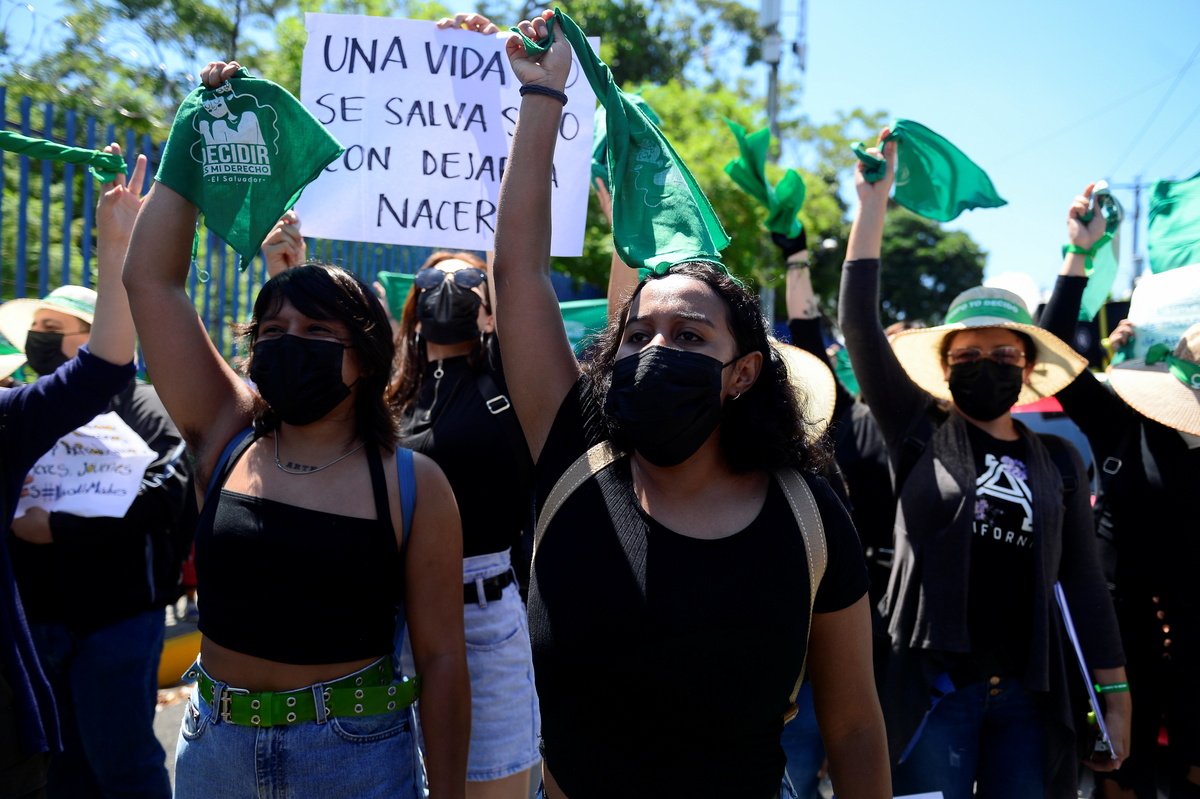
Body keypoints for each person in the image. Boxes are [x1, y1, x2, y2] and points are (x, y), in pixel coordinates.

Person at [492, 12, 889, 798]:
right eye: (638, 334)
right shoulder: (573, 453)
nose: (655, 348)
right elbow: (518, 274)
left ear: (743, 373)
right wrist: (543, 96)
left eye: (688, 335)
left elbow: (852, 726)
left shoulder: (810, 518)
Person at [122, 61, 469, 799]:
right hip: (215, 754)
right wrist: (196, 131)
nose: (289, 342)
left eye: (316, 331)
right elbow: (149, 281)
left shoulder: (414, 485)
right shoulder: (226, 432)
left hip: (354, 760)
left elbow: (442, 660)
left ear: (365, 357)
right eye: (272, 330)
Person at [839, 129, 1129, 799]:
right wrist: (873, 205)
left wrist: (1115, 692)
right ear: (944, 367)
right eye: (968, 356)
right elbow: (858, 325)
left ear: (1026, 369)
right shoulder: (916, 432)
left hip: (1030, 697)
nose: (987, 367)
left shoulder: (1059, 461)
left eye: (1005, 357)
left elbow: (1084, 581)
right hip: (931, 692)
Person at [3, 148, 189, 799]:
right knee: (61, 772)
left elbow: (169, 494)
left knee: (123, 763)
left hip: (116, 614)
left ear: (91, 334)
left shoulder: (145, 406)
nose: (39, 339)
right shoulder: (20, 407)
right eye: (36, 327)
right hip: (37, 616)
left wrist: (62, 528)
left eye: (54, 327)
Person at [1040, 183, 1200, 799]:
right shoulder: (1120, 419)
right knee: (1119, 781)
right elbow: (1051, 355)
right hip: (1117, 642)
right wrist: (1078, 253)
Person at [385, 248, 539, 799]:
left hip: (482, 622)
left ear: (491, 313)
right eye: (433, 279)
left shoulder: (510, 380)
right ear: (415, 306)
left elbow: (524, 283)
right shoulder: (390, 393)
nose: (448, 287)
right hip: (390, 623)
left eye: (469, 279)